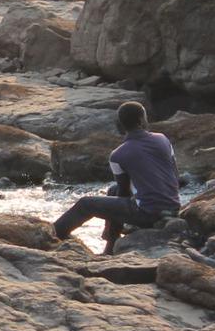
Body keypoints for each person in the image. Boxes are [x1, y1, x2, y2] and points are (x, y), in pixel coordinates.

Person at [52, 101, 179, 253]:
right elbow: (175, 174)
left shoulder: (117, 155)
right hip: (173, 205)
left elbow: (124, 193)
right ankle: (111, 245)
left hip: (147, 213)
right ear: (141, 120)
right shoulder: (163, 139)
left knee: (85, 204)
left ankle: (53, 235)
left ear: (121, 125)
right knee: (113, 190)